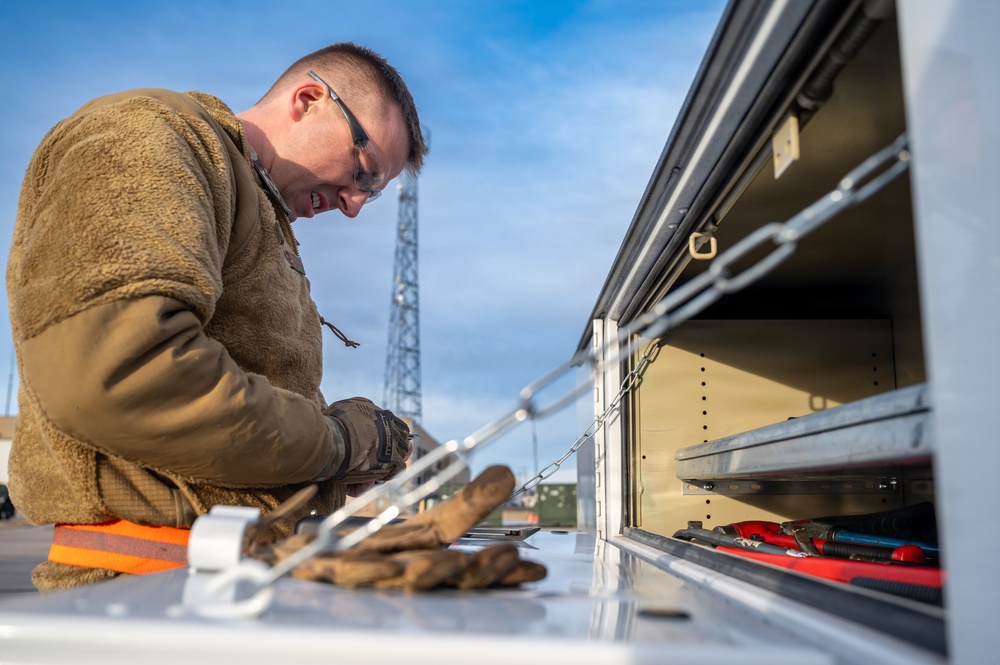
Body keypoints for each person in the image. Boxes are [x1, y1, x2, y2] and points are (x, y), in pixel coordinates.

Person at [5, 42, 427, 590]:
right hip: (148, 589)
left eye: (369, 196)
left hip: (233, 582)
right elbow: (126, 373)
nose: (352, 204)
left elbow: (234, 415)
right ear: (309, 99)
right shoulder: (147, 135)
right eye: (363, 172)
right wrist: (340, 443)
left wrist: (338, 460)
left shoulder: (256, 208)